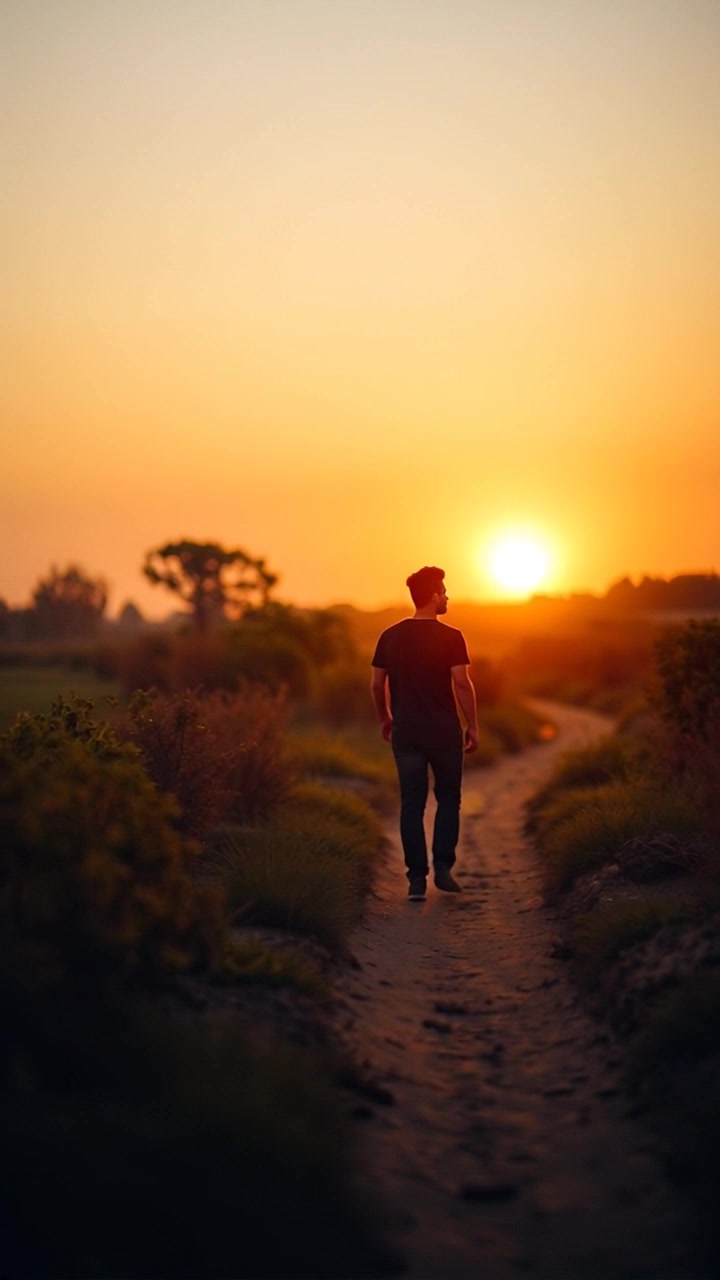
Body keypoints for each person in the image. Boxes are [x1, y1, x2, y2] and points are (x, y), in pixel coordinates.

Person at [370, 566, 479, 901]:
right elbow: (461, 683)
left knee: (411, 804)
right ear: (433, 596)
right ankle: (443, 868)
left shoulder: (389, 636)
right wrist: (473, 725)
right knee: (448, 798)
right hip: (444, 732)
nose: (447, 597)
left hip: (406, 732)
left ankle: (416, 880)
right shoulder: (452, 636)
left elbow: (376, 684)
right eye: (444, 592)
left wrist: (385, 717)